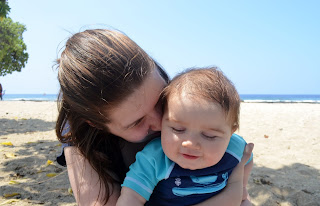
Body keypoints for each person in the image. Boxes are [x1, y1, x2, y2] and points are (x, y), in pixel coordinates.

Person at [55, 29, 254, 206]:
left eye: (161, 101)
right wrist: (232, 193)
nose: (162, 122)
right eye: (137, 122)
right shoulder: (78, 131)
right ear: (97, 125)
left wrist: (238, 187)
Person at [117, 67, 253, 206]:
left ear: (230, 133)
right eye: (178, 129)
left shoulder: (235, 148)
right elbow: (132, 196)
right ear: (162, 122)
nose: (190, 143)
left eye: (209, 136)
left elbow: (247, 159)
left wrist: (242, 184)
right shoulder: (155, 158)